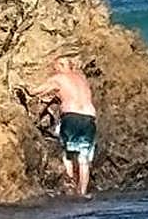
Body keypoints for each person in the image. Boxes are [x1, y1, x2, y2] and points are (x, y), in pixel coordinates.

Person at [29, 57, 98, 197]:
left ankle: (71, 185)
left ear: (61, 66)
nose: (54, 70)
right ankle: (82, 193)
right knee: (83, 158)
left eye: (55, 67)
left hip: (72, 117)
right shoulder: (81, 79)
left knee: (68, 154)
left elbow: (35, 92)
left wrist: (27, 89)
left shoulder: (59, 78)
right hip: (89, 117)